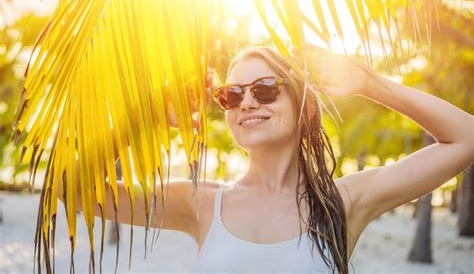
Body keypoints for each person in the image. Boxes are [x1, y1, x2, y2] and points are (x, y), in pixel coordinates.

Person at [68, 46, 474, 273]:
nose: (245, 101)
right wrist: (145, 115)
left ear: (303, 104)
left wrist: (370, 83)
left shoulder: (344, 201)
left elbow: (466, 138)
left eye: (264, 89)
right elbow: (77, 192)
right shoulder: (202, 202)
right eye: (231, 94)